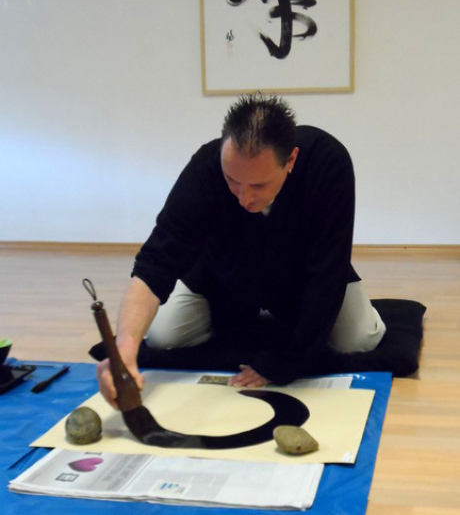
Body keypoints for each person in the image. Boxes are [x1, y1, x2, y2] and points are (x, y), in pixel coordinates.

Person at [97, 95, 386, 408]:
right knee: (163, 336)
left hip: (304, 273)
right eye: (232, 181)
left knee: (358, 339)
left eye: (259, 186)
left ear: (291, 160)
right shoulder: (205, 167)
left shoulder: (327, 162)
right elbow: (157, 260)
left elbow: (328, 269)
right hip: (223, 270)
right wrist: (125, 347)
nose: (244, 198)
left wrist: (290, 360)